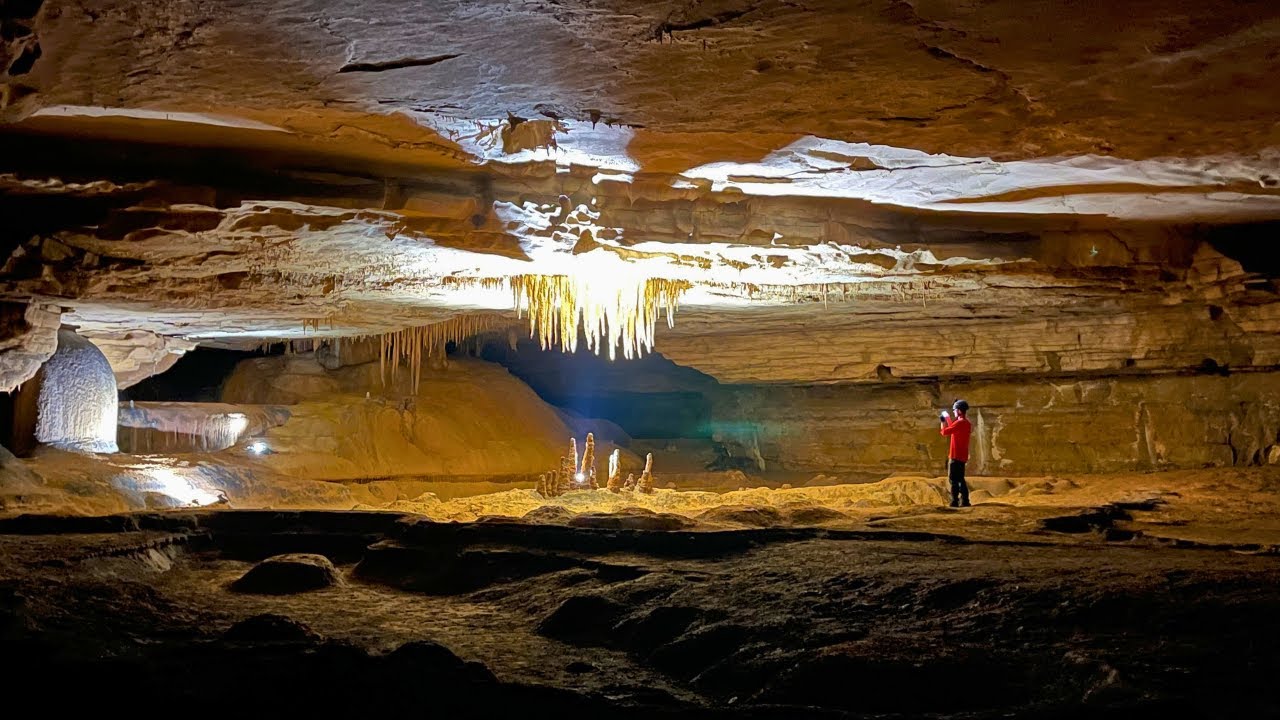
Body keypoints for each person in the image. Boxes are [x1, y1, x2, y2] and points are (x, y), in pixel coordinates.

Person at [939, 399, 972, 508]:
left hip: (955, 455)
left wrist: (942, 421)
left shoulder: (959, 423)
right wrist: (948, 418)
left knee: (953, 479)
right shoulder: (966, 423)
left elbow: (945, 432)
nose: (953, 412)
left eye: (954, 410)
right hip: (962, 456)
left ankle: (954, 501)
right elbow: (953, 427)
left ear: (959, 411)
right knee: (960, 478)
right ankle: (965, 501)